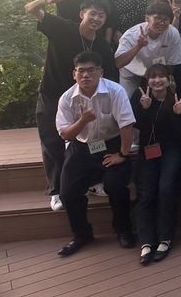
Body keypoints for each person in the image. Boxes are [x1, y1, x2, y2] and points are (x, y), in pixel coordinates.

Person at [25, 0, 118, 212]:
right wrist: (46, 1)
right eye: (92, 13)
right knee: (53, 141)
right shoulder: (62, 27)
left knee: (92, 138)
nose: (96, 18)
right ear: (82, 14)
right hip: (52, 94)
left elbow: (110, 73)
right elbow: (30, 8)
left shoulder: (101, 45)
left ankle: (93, 181)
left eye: (101, 15)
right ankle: (57, 190)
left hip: (84, 99)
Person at [55, 51, 135, 256]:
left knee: (115, 185)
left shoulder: (115, 91)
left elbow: (127, 125)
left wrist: (122, 154)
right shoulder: (67, 98)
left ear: (101, 72)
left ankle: (124, 230)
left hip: (111, 146)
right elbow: (65, 134)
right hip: (81, 147)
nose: (86, 75)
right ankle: (82, 235)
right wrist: (82, 121)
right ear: (74, 74)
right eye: (81, 71)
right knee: (68, 192)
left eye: (91, 70)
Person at [130, 64, 181, 264]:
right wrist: (144, 109)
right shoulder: (141, 97)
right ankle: (146, 241)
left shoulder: (176, 97)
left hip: (171, 149)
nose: (157, 80)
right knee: (146, 192)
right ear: (147, 80)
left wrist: (178, 115)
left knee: (165, 188)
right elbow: (138, 126)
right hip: (148, 150)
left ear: (169, 79)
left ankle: (165, 238)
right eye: (153, 77)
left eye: (161, 76)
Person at [114, 1, 181, 98]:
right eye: (157, 18)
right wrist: (138, 46)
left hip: (157, 72)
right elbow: (118, 63)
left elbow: (172, 63)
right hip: (131, 71)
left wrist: (159, 79)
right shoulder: (132, 34)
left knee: (163, 98)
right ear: (147, 18)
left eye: (166, 19)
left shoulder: (173, 33)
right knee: (125, 99)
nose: (162, 23)